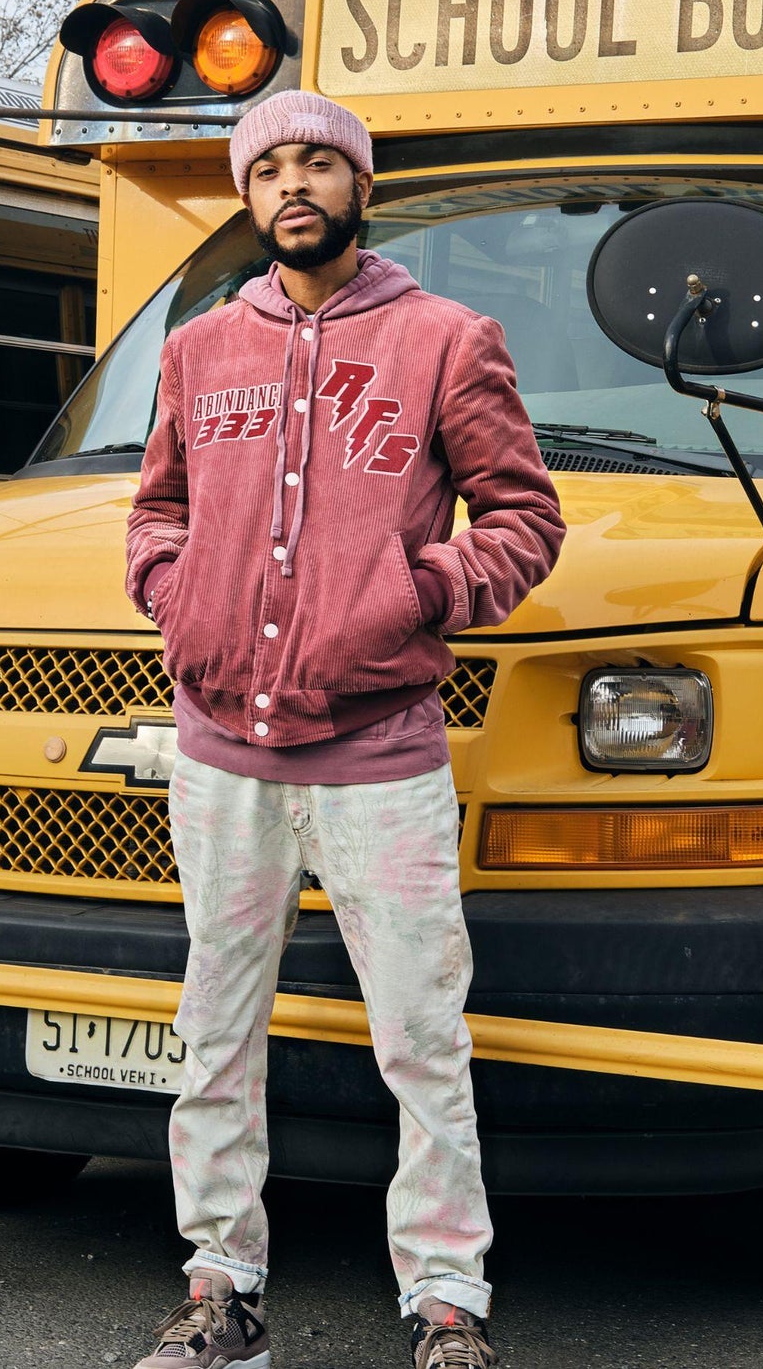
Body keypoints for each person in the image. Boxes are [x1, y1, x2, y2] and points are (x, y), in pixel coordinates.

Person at [126, 89, 565, 1369]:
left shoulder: (447, 339)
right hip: (220, 754)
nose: (294, 187)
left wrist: (416, 595)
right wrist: (175, 594)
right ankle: (221, 1293)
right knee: (215, 1030)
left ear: (362, 188)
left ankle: (446, 1301)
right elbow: (156, 511)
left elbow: (524, 518)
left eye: (319, 164)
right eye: (269, 169)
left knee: (422, 1038)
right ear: (247, 196)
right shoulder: (199, 348)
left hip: (381, 757)